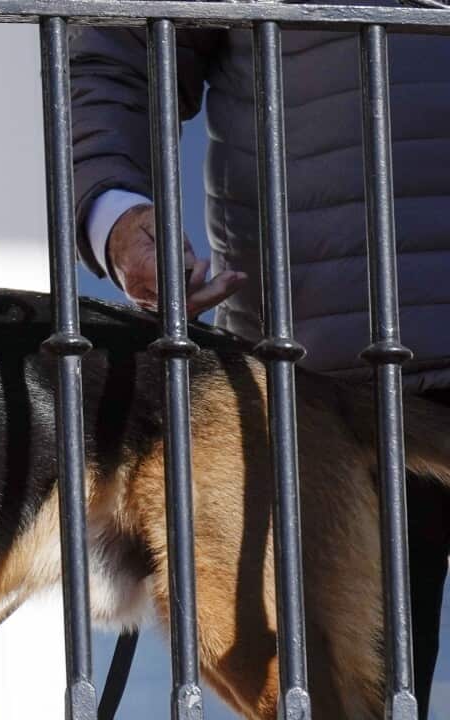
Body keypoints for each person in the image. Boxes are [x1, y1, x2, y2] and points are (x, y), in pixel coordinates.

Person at [69, 13, 450, 715]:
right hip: (323, 390)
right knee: (333, 699)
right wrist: (120, 220)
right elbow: (120, 56)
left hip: (316, 369)